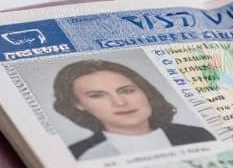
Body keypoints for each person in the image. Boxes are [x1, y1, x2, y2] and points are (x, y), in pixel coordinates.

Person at [52, 59, 215, 160]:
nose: (120, 102)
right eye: (97, 95)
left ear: (145, 91)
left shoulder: (197, 135)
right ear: (78, 104)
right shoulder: (76, 154)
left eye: (127, 91)